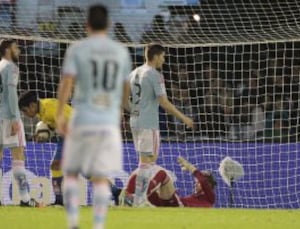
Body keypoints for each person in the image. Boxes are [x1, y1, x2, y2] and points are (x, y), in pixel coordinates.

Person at [56, 4, 131, 229]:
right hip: (107, 121)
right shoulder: (121, 51)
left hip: (83, 118)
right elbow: (126, 87)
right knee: (100, 177)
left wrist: (60, 113)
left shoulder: (78, 48)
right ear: (108, 25)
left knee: (70, 173)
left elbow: (67, 82)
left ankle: (73, 224)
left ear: (86, 25)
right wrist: (118, 109)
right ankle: (98, 226)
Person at [128, 44, 195, 206]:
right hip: (148, 123)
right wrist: (183, 117)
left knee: (145, 161)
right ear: (156, 56)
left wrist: (134, 111)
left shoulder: (134, 73)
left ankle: (138, 197)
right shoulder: (154, 75)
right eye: (163, 57)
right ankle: (139, 199)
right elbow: (164, 102)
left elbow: (125, 96)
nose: (164, 60)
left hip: (135, 122)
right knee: (148, 162)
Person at [0, 39, 41, 207]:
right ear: (8, 49)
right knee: (18, 155)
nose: (18, 50)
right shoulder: (11, 67)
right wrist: (16, 119)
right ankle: (25, 199)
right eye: (16, 47)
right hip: (9, 115)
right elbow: (11, 94)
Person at [18, 91, 73, 205]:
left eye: (25, 110)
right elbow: (54, 125)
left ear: (32, 105)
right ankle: (59, 201)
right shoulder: (43, 110)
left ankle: (59, 201)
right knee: (56, 166)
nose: (25, 114)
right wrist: (44, 134)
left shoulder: (49, 108)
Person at [120, 157, 216, 208]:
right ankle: (126, 196)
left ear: (209, 185)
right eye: (195, 182)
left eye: (198, 182)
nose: (196, 184)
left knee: (162, 174)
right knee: (144, 172)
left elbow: (203, 180)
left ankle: (138, 197)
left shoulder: (210, 198)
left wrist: (190, 167)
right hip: (170, 205)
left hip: (178, 207)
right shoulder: (196, 198)